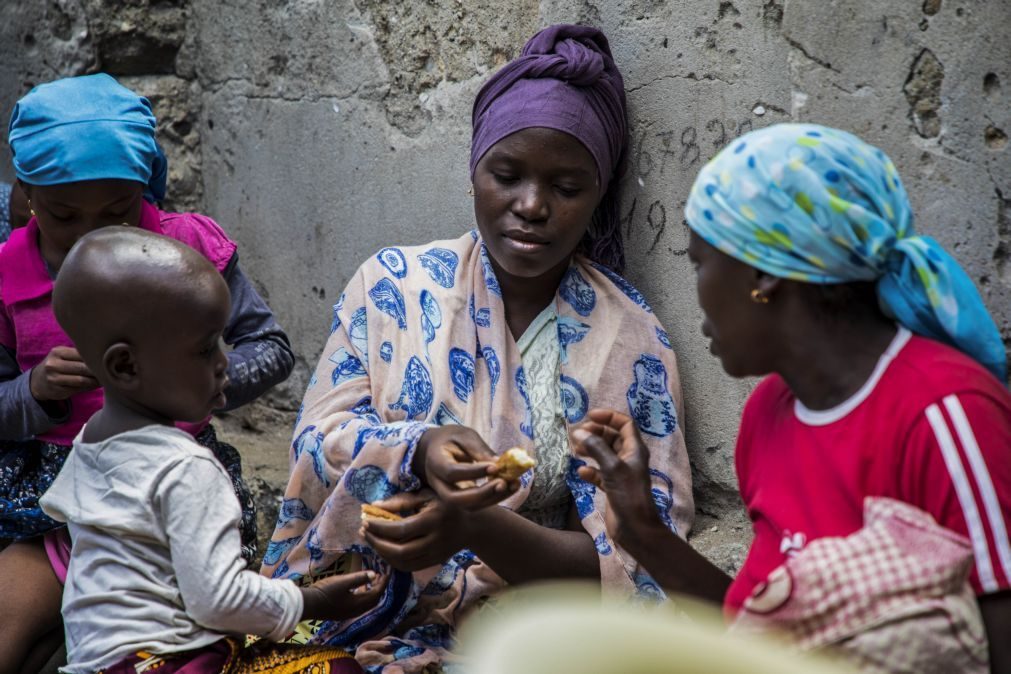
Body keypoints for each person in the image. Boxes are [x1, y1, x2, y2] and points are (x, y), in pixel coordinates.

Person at [263, 24, 693, 672]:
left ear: (599, 195)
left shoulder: (629, 341)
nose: (531, 205)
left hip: (531, 637)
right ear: (473, 170)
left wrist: (478, 527)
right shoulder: (391, 289)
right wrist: (416, 447)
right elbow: (313, 445)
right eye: (507, 174)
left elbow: (636, 561)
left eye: (566, 187)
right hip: (362, 610)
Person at [571, 123, 1011, 670]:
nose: (699, 290)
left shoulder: (946, 414)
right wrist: (642, 530)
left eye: (700, 262)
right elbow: (765, 638)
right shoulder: (768, 413)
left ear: (763, 275)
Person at [0, 74, 296, 673]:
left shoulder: (186, 255)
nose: (95, 235)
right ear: (27, 197)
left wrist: (190, 381)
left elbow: (271, 348)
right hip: (55, 503)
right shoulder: (7, 275)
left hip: (170, 495)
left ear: (144, 187)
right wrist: (35, 392)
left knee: (191, 636)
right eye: (64, 216)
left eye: (118, 212)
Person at [39, 227, 385, 673]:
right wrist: (309, 600)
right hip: (166, 663)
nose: (224, 362)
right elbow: (218, 602)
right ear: (125, 365)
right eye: (204, 350)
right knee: (339, 667)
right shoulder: (186, 468)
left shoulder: (91, 438)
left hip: (96, 662)